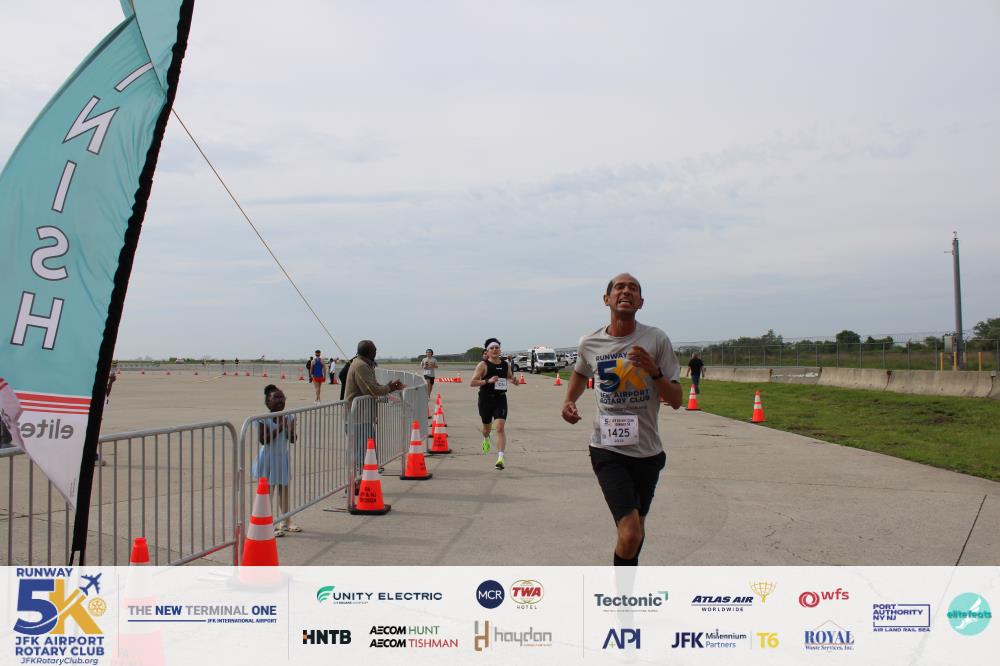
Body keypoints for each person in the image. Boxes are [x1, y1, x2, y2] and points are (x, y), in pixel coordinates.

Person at [561, 273, 682, 566]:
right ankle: (622, 594)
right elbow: (580, 373)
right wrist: (568, 401)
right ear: (607, 299)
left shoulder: (656, 339)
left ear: (641, 302)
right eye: (619, 287)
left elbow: (677, 399)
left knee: (636, 531)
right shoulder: (589, 342)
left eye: (633, 288)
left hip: (648, 452)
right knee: (630, 532)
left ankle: (626, 583)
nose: (626, 291)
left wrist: (654, 371)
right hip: (607, 450)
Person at [344, 340, 405, 487]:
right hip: (359, 417)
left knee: (366, 450)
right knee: (362, 452)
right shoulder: (360, 365)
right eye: (374, 350)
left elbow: (374, 386)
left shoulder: (365, 364)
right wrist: (389, 388)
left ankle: (361, 481)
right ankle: (358, 483)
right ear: (368, 352)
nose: (376, 352)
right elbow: (371, 390)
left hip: (363, 416)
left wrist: (389, 387)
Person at [256, 385, 300, 537]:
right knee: (268, 492)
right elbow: (263, 440)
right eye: (276, 398)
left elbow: (292, 439)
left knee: (284, 491)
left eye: (282, 397)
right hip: (268, 459)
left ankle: (286, 520)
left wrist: (291, 431)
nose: (280, 400)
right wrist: (281, 427)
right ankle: (267, 523)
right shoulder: (263, 419)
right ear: (268, 402)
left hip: (282, 458)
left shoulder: (290, 417)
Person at [470, 337, 517, 469]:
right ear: (487, 351)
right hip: (485, 399)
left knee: (500, 428)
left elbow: (509, 377)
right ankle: (486, 438)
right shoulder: (483, 365)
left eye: (497, 347)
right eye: (492, 348)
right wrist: (488, 381)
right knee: (487, 429)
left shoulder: (505, 364)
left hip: (500, 399)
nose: (495, 350)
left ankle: (500, 458)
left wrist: (514, 381)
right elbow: (472, 382)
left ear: (500, 350)